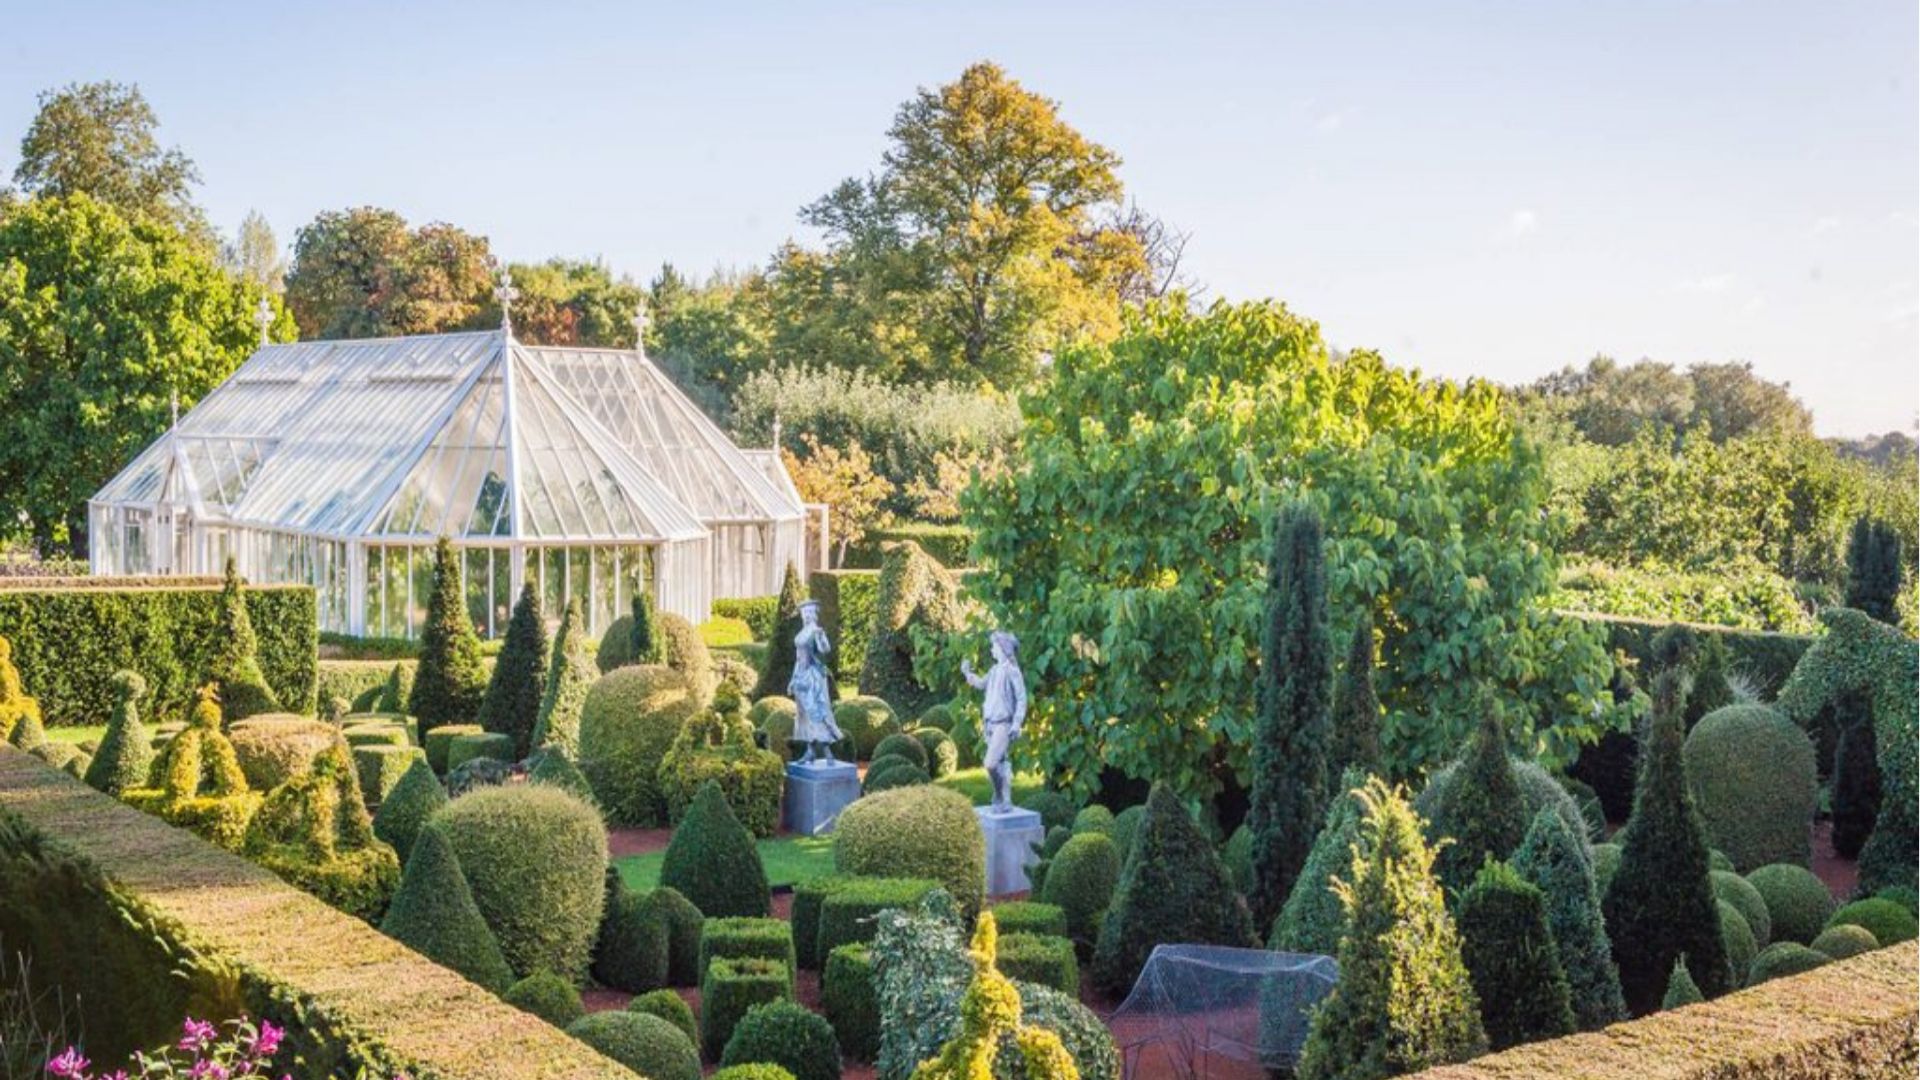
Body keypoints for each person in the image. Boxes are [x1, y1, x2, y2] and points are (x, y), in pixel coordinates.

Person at [962, 629, 1027, 813]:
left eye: (994, 646)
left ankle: (999, 794)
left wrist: (1016, 723)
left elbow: (1021, 699)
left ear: (1003, 648)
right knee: (1001, 763)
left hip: (1003, 724)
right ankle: (1004, 799)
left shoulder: (1012, 671)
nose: (992, 650)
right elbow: (981, 684)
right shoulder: (994, 670)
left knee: (990, 763)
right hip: (990, 725)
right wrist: (967, 673)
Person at [788, 600, 843, 764]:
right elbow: (798, 659)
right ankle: (810, 751)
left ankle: (827, 752)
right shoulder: (802, 632)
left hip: (813, 679)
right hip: (801, 677)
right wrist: (793, 679)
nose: (807, 616)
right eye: (804, 613)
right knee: (804, 715)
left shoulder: (816, 631)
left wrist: (820, 636)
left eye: (809, 613)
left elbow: (825, 649)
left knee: (818, 713)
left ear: (814, 614)